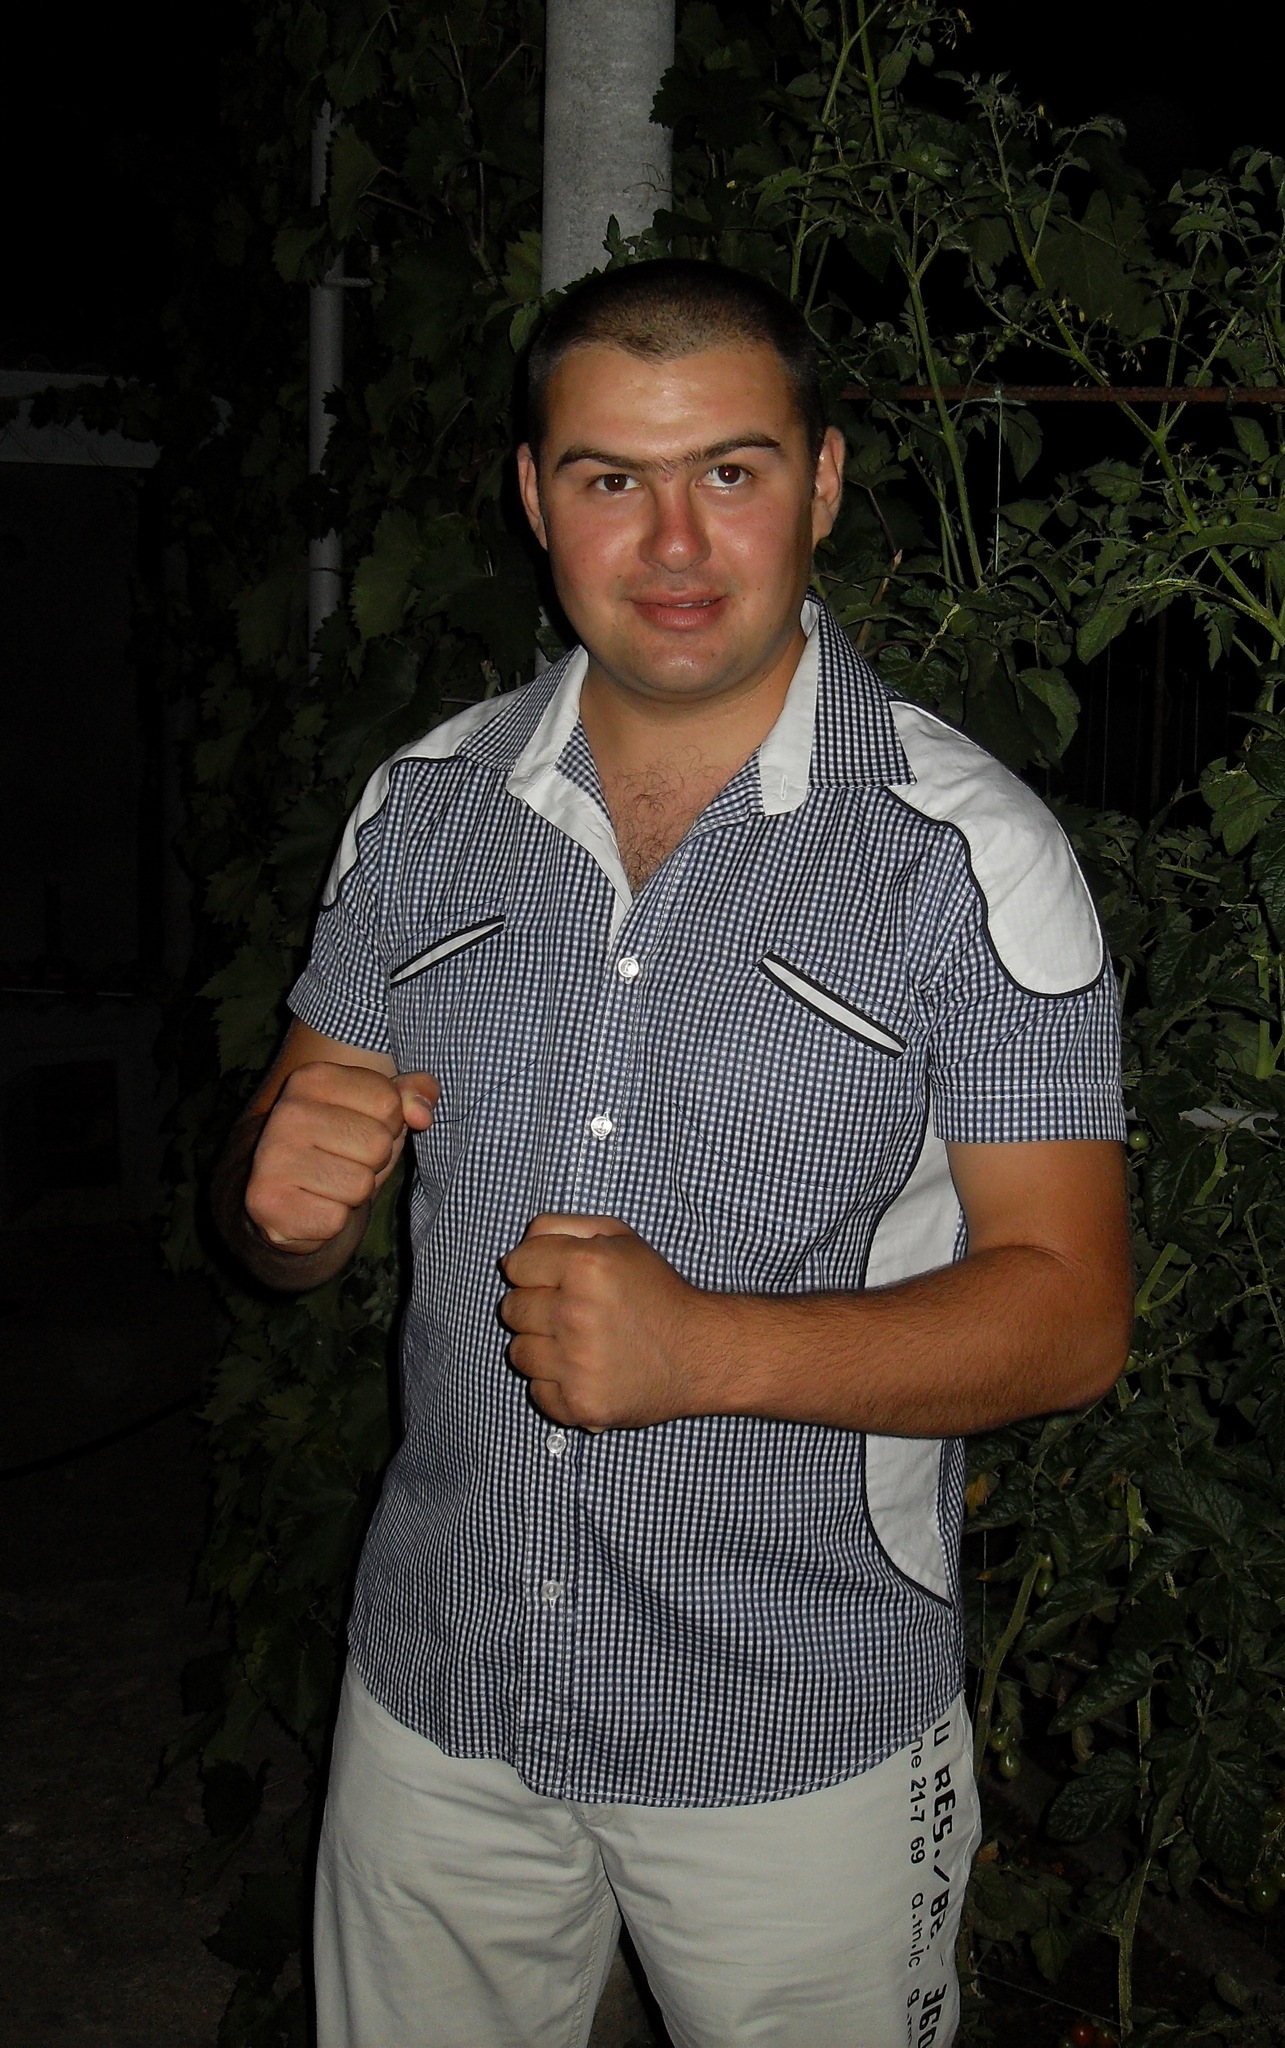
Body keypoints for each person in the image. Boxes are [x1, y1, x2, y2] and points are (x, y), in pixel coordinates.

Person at [213, 258, 1132, 2048]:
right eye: (609, 479)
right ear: (533, 495)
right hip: (436, 1695)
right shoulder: (420, 810)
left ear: (825, 481)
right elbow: (290, 1228)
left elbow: (1072, 1315)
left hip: (798, 1731)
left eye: (731, 469)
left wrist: (706, 1349)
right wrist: (281, 1207)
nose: (676, 544)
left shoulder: (968, 854)